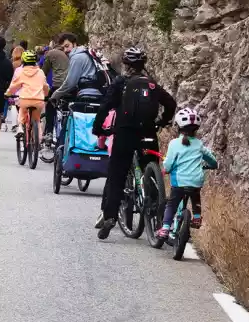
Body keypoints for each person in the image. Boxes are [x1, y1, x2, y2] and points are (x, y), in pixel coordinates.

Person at [92, 47, 177, 239]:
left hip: (124, 133)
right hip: (148, 132)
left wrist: (98, 128)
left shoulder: (120, 83)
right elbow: (171, 104)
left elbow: (105, 106)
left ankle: (110, 217)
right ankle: (157, 217)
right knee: (151, 170)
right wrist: (162, 121)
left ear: (125, 64)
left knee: (117, 175)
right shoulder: (151, 84)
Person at [158, 107, 218, 239]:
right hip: (196, 181)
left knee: (172, 204)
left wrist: (167, 170)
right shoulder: (199, 144)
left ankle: (165, 228)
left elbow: (168, 163)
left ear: (178, 127)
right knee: (195, 197)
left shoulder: (174, 143)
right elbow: (212, 160)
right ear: (196, 129)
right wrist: (212, 166)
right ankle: (196, 218)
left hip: (179, 182)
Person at [5, 50, 48, 148]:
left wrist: (8, 94)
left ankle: (20, 127)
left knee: (22, 112)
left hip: (25, 99)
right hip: (38, 100)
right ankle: (39, 139)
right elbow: (45, 86)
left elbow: (14, 86)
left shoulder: (21, 72)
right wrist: (46, 95)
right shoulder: (40, 72)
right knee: (37, 120)